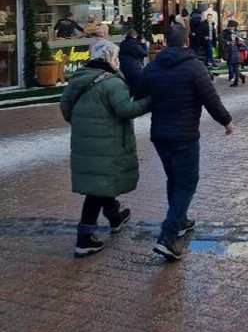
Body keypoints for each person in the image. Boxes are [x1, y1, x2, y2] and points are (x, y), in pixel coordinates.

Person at [133, 24, 235, 262]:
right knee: (187, 183)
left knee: (174, 179)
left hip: (160, 135)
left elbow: (139, 94)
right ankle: (168, 236)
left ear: (166, 43)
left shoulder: (153, 66)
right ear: (187, 42)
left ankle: (180, 220)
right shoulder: (194, 67)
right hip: (185, 135)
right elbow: (210, 98)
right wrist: (227, 121)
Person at [61, 40, 149, 256]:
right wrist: (150, 101)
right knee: (96, 188)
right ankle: (85, 237)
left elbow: (65, 106)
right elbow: (125, 109)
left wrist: (84, 125)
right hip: (107, 140)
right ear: (110, 57)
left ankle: (114, 214)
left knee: (102, 180)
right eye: (116, 56)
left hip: (86, 141)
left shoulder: (79, 78)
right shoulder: (113, 83)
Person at [220, 20, 246, 87]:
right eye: (229, 26)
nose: (230, 28)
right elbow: (219, 38)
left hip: (236, 51)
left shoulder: (237, 32)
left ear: (234, 27)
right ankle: (241, 76)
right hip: (229, 51)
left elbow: (242, 41)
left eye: (231, 27)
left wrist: (239, 46)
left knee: (235, 68)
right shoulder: (225, 32)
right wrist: (226, 42)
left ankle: (236, 82)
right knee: (233, 68)